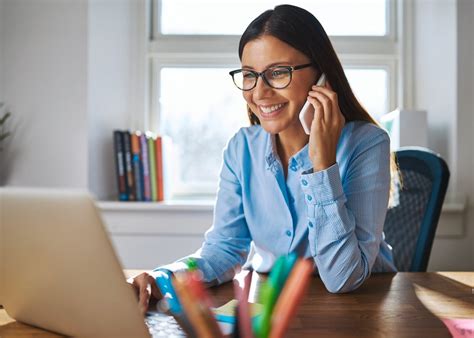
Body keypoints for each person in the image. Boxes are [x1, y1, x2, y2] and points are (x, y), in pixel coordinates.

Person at [131, 4, 397, 315]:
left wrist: (322, 163)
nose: (259, 92)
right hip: (272, 307)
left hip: (361, 308)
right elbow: (224, 249)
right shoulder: (242, 148)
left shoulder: (366, 144)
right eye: (249, 75)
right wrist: (162, 277)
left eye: (278, 73)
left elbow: (343, 278)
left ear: (321, 76)